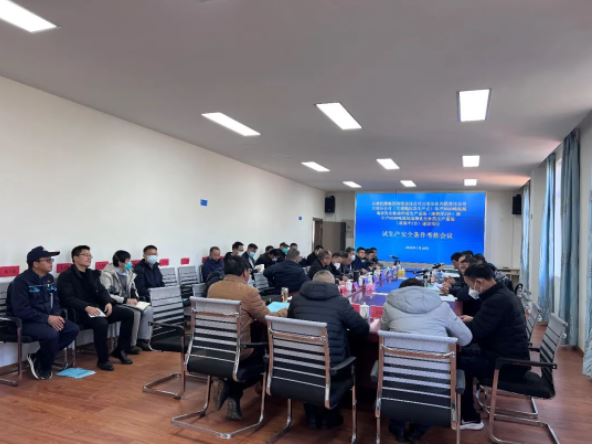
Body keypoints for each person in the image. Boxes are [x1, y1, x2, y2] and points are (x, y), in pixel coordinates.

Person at [380, 278, 472, 442]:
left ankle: (397, 426)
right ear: (424, 291)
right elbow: (465, 339)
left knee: (400, 374)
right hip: (435, 382)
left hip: (396, 380)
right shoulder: (442, 307)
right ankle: (418, 431)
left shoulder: (389, 306)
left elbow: (383, 332)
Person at [207, 256, 287, 421]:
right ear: (245, 272)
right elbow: (268, 319)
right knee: (265, 358)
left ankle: (228, 389)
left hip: (216, 345)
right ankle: (232, 391)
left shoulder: (213, 288)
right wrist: (286, 309)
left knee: (252, 337)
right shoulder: (248, 292)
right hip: (240, 350)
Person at [288, 270, 370, 429]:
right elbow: (362, 329)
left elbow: (291, 325)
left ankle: (311, 415)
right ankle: (329, 416)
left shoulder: (296, 300)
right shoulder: (340, 302)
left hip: (301, 363)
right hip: (332, 368)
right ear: (333, 285)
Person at [458, 263, 530, 430]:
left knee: (458, 363)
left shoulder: (496, 300)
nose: (471, 290)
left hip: (506, 364)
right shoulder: (502, 294)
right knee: (461, 355)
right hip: (509, 356)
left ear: (479, 282)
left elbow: (474, 334)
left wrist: (454, 326)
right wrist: (474, 320)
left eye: (470, 286)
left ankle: (470, 417)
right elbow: (489, 325)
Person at [57, 245, 136, 371]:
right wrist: (86, 307)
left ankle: (120, 350)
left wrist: (108, 302)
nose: (89, 258)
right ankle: (103, 360)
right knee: (101, 323)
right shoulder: (66, 276)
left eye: (90, 255)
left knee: (129, 314)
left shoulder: (92, 274)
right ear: (75, 258)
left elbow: (102, 291)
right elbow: (68, 298)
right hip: (80, 312)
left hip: (98, 308)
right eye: (85, 255)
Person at [7, 246, 79, 380]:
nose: (51, 263)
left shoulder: (49, 279)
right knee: (51, 334)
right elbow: (21, 310)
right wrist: (47, 319)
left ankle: (38, 357)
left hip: (46, 319)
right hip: (24, 322)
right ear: (35, 263)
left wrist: (55, 316)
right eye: (47, 260)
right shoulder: (21, 282)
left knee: (72, 329)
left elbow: (55, 301)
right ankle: (44, 367)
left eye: (51, 260)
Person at [100, 250, 153, 351]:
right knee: (135, 313)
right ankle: (130, 344)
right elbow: (107, 294)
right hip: (115, 303)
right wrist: (125, 300)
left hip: (128, 301)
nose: (130, 263)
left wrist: (135, 297)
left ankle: (142, 340)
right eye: (128, 261)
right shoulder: (107, 274)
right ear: (120, 262)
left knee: (149, 310)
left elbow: (133, 288)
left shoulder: (129, 272)